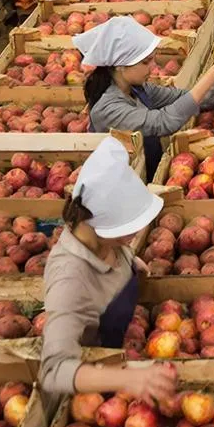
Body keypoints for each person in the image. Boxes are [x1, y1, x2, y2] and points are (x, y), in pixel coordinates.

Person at [40, 136, 175, 400]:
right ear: (102, 227)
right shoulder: (70, 278)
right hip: (102, 388)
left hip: (134, 348)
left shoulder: (103, 240)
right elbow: (53, 371)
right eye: (128, 229)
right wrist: (127, 379)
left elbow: (114, 259)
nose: (136, 234)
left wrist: (130, 263)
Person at [74, 16, 214, 178]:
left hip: (146, 175)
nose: (152, 67)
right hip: (120, 188)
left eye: (152, 59)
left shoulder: (139, 89)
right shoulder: (108, 108)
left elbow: (193, 100)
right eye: (145, 62)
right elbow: (163, 122)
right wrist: (212, 73)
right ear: (120, 66)